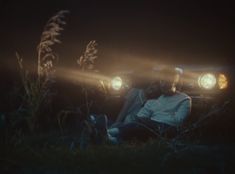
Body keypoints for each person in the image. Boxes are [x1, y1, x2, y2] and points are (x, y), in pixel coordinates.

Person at [107, 67, 192, 144]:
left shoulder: (184, 99)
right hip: (148, 128)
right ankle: (112, 138)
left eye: (167, 81)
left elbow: (178, 121)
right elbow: (140, 116)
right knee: (136, 125)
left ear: (175, 82)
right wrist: (146, 121)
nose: (163, 84)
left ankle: (108, 133)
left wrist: (152, 121)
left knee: (138, 125)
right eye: (162, 81)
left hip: (167, 129)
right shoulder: (154, 101)